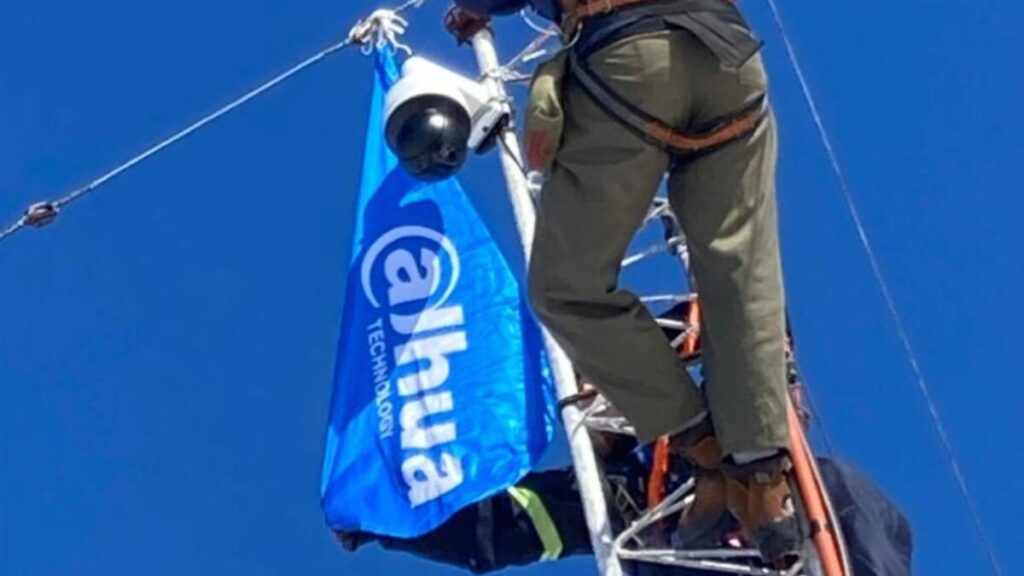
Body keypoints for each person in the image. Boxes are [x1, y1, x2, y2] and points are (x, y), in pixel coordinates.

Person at [444, 0, 795, 562]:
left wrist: (472, 10)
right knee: (741, 276)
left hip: (632, 54)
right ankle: (761, 485)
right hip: (730, 59)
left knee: (567, 287)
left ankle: (701, 446)